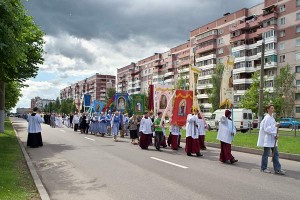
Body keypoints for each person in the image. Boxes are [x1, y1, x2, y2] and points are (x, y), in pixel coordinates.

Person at [257, 104, 285, 175]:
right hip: (268, 139)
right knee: (266, 154)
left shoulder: (272, 118)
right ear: (268, 109)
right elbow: (266, 129)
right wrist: (274, 126)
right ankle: (264, 168)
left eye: (273, 108)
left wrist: (276, 134)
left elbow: (274, 129)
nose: (273, 109)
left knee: (275, 154)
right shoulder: (266, 118)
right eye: (271, 108)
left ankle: (277, 169)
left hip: (273, 139)